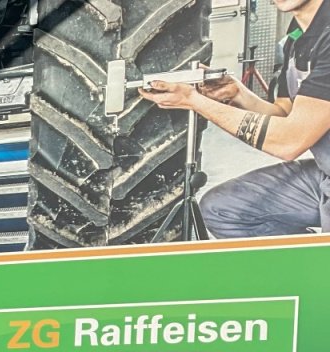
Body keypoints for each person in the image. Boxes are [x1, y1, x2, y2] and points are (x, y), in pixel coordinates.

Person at [140, 0, 330, 238]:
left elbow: (289, 141)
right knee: (223, 210)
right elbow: (284, 114)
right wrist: (237, 93)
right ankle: (303, 259)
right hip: (324, 175)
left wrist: (193, 101)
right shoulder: (297, 36)